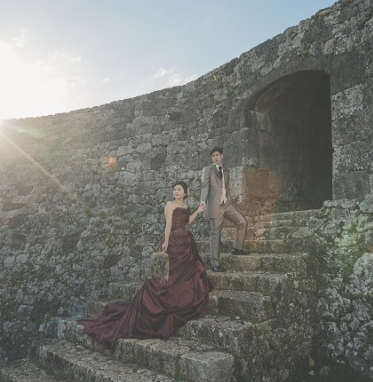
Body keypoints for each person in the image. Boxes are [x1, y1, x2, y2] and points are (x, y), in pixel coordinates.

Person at [79, 181, 210, 350]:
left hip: (186, 243)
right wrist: (166, 242)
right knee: (166, 277)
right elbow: (169, 224)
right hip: (174, 244)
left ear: (185, 192)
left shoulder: (185, 206)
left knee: (191, 269)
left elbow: (187, 222)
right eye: (174, 189)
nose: (176, 192)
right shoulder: (169, 205)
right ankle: (160, 304)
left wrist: (198, 211)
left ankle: (180, 298)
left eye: (179, 189)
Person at [200, 146, 249, 272]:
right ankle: (214, 263)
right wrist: (202, 201)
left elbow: (226, 186)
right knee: (215, 233)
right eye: (213, 156)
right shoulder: (208, 170)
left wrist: (229, 198)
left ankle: (238, 248)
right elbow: (205, 186)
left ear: (222, 156)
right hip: (214, 206)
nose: (215, 157)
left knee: (242, 222)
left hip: (226, 204)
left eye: (217, 155)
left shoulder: (226, 170)